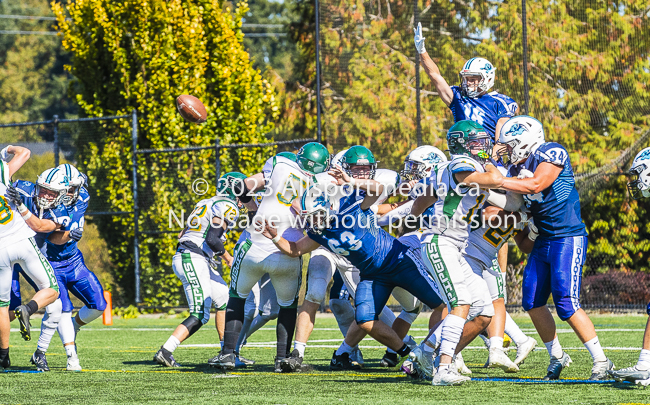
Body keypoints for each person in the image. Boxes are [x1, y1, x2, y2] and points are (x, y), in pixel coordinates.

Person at [260, 162, 445, 372]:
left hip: (399, 262)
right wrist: (275, 237)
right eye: (310, 217)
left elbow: (379, 189)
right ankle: (410, 354)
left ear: (328, 206)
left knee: (443, 305)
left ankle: (437, 353)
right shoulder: (320, 232)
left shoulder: (352, 206)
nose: (313, 222)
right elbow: (295, 249)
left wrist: (350, 181)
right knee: (365, 320)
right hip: (373, 275)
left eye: (316, 216)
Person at [497, 115, 614, 380]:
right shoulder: (516, 171)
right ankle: (558, 356)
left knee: (566, 302)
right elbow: (525, 243)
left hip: (567, 237)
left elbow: (537, 184)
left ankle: (602, 361)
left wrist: (496, 181)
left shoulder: (550, 151)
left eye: (511, 144)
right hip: (543, 240)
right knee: (532, 301)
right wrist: (516, 223)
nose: (507, 150)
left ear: (525, 140)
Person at [209, 142, 331, 373]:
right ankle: (281, 359)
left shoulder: (280, 163)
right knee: (287, 306)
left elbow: (241, 186)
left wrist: (255, 211)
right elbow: (316, 222)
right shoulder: (321, 185)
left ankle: (227, 353)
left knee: (237, 297)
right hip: (288, 249)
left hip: (255, 244)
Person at [409, 120, 502, 386]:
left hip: (455, 245)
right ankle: (444, 369)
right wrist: (491, 160)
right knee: (460, 303)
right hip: (442, 242)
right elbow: (494, 179)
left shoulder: (443, 168)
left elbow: (424, 197)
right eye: (477, 142)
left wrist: (417, 216)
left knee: (484, 310)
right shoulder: (463, 164)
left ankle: (424, 353)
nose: (482, 147)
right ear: (462, 144)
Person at [154, 172, 243, 367]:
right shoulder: (227, 205)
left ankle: (226, 353)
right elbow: (212, 239)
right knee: (201, 313)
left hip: (195, 257)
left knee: (224, 299)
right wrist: (228, 258)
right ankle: (166, 351)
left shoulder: (206, 202)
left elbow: (183, 232)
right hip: (193, 258)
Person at [30, 164, 107, 372]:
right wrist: (68, 235)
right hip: (51, 263)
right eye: (69, 189)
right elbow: (50, 236)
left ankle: (73, 327)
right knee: (63, 309)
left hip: (74, 260)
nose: (72, 193)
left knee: (99, 305)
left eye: (74, 189)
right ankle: (72, 356)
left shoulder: (82, 197)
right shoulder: (50, 203)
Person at [0, 145, 61, 368]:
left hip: (0, 250)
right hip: (22, 239)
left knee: (2, 306)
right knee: (52, 289)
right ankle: (29, 308)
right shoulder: (1, 170)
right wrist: (6, 149)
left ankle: (3, 356)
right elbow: (25, 152)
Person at [413, 23, 518, 142]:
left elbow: (500, 143)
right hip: (461, 156)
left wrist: (492, 159)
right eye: (466, 79)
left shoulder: (500, 102)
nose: (468, 83)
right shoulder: (458, 97)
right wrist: (422, 52)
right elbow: (435, 75)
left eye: (473, 79)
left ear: (488, 79)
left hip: (488, 158)